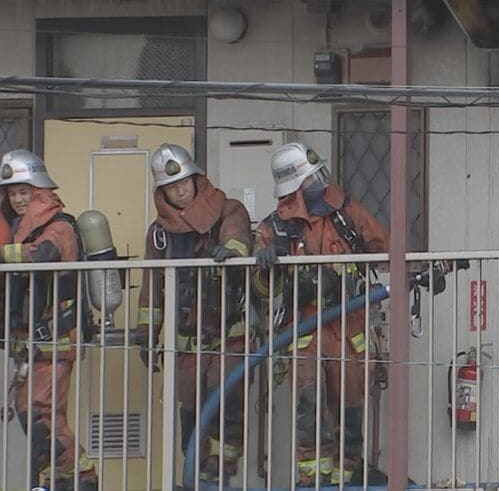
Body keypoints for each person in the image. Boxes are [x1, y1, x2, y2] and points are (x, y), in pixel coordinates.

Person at [253, 142, 387, 486]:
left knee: (351, 413)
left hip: (349, 328)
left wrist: (422, 268)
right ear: (293, 187)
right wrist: (266, 270)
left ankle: (346, 477)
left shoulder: (345, 213)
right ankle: (313, 482)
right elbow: (260, 293)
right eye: (312, 180)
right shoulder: (274, 230)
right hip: (304, 331)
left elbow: (385, 248)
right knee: (309, 410)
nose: (321, 184)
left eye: (319, 176)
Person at [135, 144, 253, 484]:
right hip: (186, 342)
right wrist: (147, 334)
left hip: (229, 335)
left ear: (197, 178)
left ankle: (219, 476)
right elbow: (152, 288)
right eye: (172, 186)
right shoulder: (159, 234)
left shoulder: (229, 210)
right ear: (163, 192)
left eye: (185, 181)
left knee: (225, 400)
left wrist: (230, 253)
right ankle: (193, 474)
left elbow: (239, 240)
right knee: (188, 410)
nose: (180, 189)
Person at [0, 149, 98, 491]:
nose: (17, 199)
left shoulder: (59, 227)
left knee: (41, 415)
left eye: (24, 191)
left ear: (39, 190)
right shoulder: (18, 232)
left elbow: (43, 256)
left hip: (55, 340)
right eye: (12, 193)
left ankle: (81, 478)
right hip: (31, 344)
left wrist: (3, 252)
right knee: (33, 414)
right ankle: (59, 479)